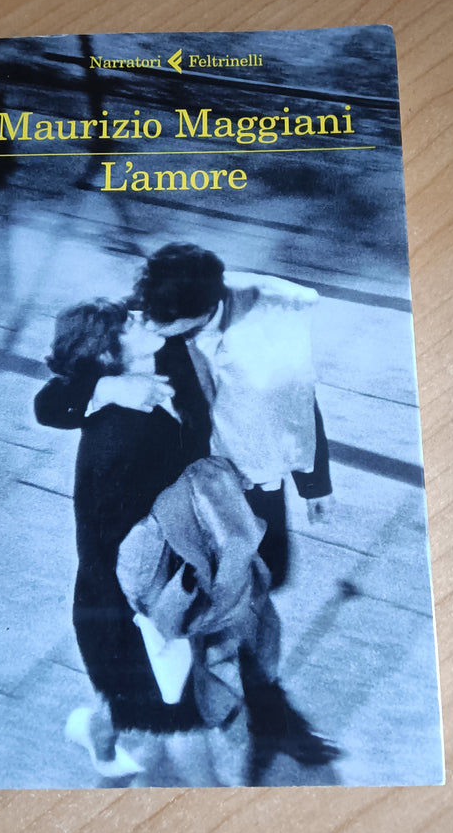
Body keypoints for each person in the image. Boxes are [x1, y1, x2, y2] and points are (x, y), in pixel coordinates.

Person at [34, 300, 208, 777]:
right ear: (110, 354)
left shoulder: (163, 360)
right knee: (176, 729)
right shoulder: (121, 432)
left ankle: (103, 731)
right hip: (133, 596)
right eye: (130, 322)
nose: (144, 317)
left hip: (154, 584)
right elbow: (109, 541)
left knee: (151, 709)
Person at [124, 243, 336, 590]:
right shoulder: (160, 302)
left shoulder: (271, 330)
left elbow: (297, 408)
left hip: (252, 478)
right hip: (183, 474)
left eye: (161, 321)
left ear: (202, 312)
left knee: (263, 574)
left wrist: (316, 485)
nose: (147, 324)